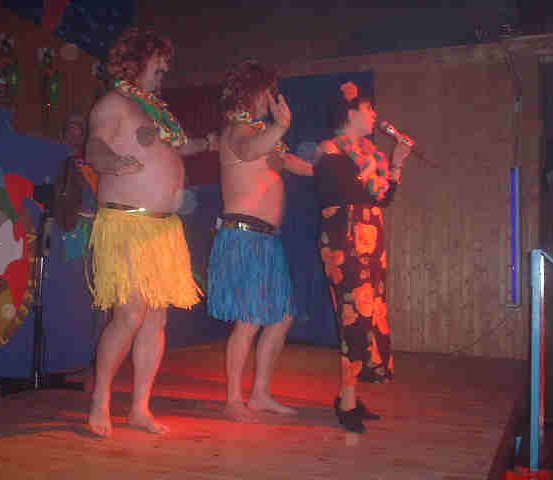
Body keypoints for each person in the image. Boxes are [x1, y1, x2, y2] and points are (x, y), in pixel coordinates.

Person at [85, 27, 215, 438]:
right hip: (128, 223)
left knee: (155, 319)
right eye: (159, 62)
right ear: (138, 61)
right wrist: (112, 162)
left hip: (163, 228)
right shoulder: (115, 103)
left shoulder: (156, 111)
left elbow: (178, 145)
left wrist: (208, 142)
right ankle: (100, 402)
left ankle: (140, 408)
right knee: (129, 314)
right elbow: (94, 146)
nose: (165, 70)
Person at [207, 59, 313, 422]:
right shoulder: (237, 130)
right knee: (250, 319)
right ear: (253, 92)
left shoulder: (262, 132)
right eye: (269, 91)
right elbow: (250, 151)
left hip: (266, 240)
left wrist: (330, 167)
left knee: (281, 317)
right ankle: (233, 401)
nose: (272, 97)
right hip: (243, 236)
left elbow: (292, 163)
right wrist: (281, 126)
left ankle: (260, 394)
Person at [313, 81, 412, 433]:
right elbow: (350, 192)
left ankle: (350, 395)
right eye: (368, 109)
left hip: (371, 240)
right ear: (350, 113)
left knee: (370, 316)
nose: (374, 115)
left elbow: (383, 199)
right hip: (345, 241)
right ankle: (347, 402)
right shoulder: (329, 150)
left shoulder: (370, 154)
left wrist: (396, 164)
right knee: (353, 317)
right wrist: (378, 167)